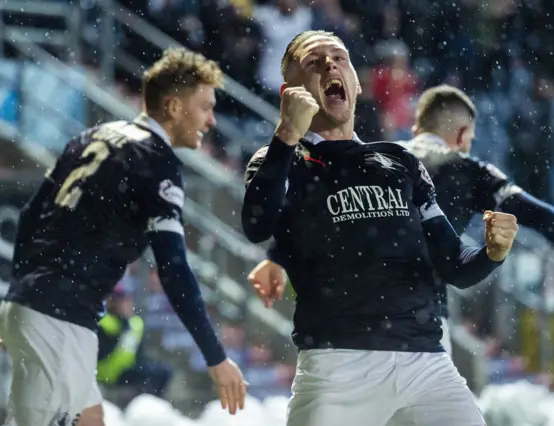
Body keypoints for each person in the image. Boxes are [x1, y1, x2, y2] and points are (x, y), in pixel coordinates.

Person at [241, 30, 519, 426]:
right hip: (338, 364)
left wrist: (493, 252)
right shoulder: (279, 159)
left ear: (356, 82)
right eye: (314, 63)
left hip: (426, 364)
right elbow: (256, 224)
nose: (330, 67)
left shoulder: (400, 161)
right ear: (290, 91)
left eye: (339, 59)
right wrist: (287, 133)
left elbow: (455, 265)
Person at [250, 84, 554, 355]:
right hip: (420, 324)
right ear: (464, 134)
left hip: (348, 320)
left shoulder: (377, 158)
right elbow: (540, 216)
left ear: (417, 126)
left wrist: (275, 256)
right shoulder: (469, 168)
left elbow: (312, 208)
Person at [0, 47, 247, 426]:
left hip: (51, 312)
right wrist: (216, 357)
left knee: (91, 419)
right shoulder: (155, 160)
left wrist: (20, 292)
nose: (211, 120)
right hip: (57, 320)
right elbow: (174, 268)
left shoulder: (91, 136)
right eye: (204, 107)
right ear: (174, 106)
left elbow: (32, 214)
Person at [96, 284, 173, 398]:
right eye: (124, 301)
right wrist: (121, 330)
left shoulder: (135, 324)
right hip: (106, 373)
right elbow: (103, 353)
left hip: (128, 369)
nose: (129, 305)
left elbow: (139, 353)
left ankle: (151, 404)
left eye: (129, 301)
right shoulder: (104, 322)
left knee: (162, 371)